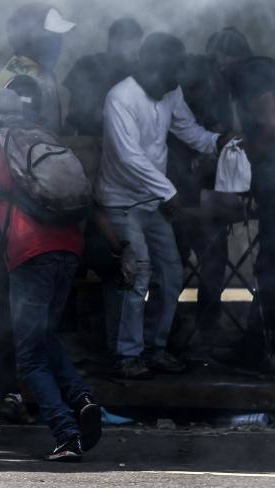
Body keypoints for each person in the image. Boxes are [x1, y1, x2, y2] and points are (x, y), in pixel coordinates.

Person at [0, 88, 109, 461]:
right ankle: (82, 399)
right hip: (69, 248)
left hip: (29, 254)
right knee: (44, 334)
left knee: (28, 356)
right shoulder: (46, 140)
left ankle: (66, 434)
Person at [98, 33, 235, 379]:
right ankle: (126, 355)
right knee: (137, 274)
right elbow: (130, 158)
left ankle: (153, 348)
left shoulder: (170, 91)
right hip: (123, 204)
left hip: (154, 202)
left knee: (171, 276)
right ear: (149, 66)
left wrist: (218, 142)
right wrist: (170, 193)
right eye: (170, 73)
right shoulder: (121, 97)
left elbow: (187, 129)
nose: (175, 82)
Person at [168, 51, 237, 341]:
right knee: (173, 263)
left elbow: (217, 137)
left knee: (213, 260)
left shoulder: (213, 107)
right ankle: (169, 324)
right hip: (175, 199)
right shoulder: (171, 105)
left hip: (206, 201)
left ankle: (207, 322)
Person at [232, 56, 275, 368]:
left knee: (270, 269)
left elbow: (270, 124)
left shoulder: (259, 89)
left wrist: (252, 148)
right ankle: (255, 346)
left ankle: (259, 349)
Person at [0, 3, 76, 133]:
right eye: (50, 37)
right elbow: (21, 143)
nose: (58, 43)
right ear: (29, 38)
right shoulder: (18, 81)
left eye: (58, 37)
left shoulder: (43, 73)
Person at [64, 17, 143, 137]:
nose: (136, 48)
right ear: (114, 41)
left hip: (128, 142)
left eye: (138, 41)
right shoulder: (87, 64)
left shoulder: (140, 72)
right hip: (89, 141)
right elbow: (73, 112)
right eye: (131, 40)